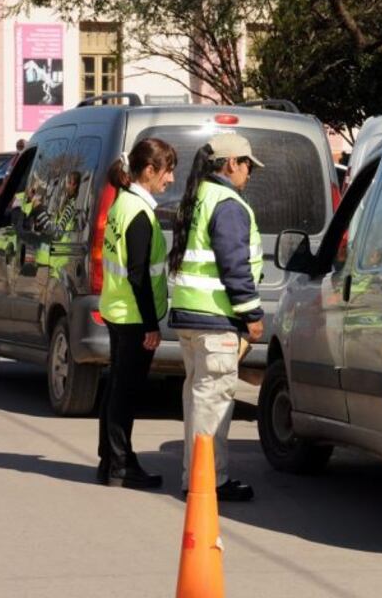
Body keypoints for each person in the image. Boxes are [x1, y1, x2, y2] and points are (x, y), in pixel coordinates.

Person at [167, 133, 265, 502]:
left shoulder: (197, 197)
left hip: (192, 317)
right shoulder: (227, 203)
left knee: (197, 401)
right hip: (216, 320)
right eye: (247, 164)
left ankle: (194, 477)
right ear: (230, 164)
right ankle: (209, 482)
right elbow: (234, 265)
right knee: (214, 403)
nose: (250, 173)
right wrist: (251, 314)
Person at [98, 138, 177, 489]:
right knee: (125, 393)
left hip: (118, 310)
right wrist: (151, 324)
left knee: (117, 389)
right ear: (149, 170)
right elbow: (139, 273)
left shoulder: (123, 203)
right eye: (167, 170)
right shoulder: (139, 213)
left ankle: (112, 460)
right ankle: (120, 464)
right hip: (132, 316)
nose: (171, 179)